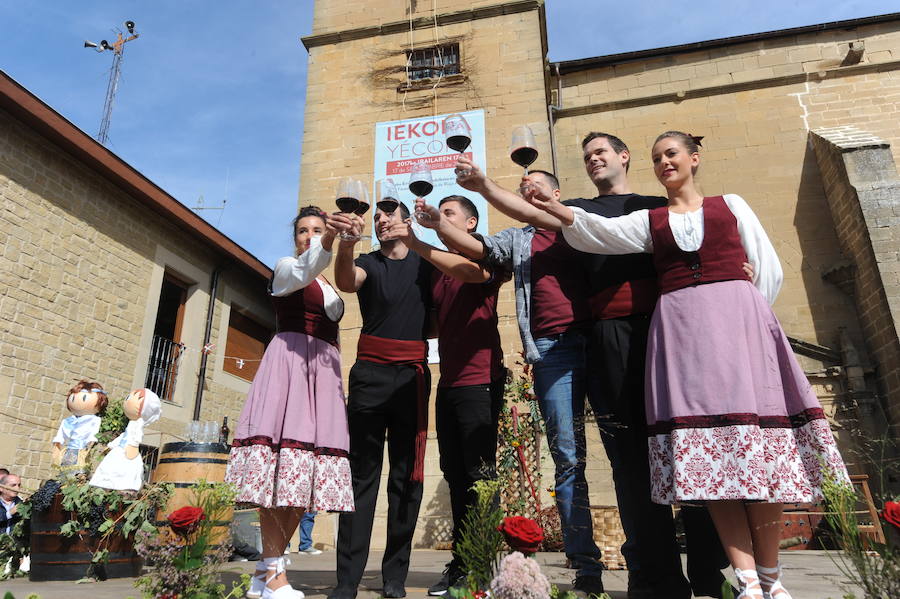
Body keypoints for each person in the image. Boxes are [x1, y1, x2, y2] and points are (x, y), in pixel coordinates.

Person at [532, 130, 850, 599]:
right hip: (678, 345)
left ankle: (763, 578)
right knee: (704, 458)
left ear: (693, 158)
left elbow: (767, 269)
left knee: (753, 454)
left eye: (671, 154)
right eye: (658, 156)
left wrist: (742, 324)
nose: (664, 162)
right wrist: (527, 198)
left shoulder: (732, 204)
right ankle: (737, 579)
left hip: (734, 343)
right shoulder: (652, 219)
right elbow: (596, 231)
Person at [454, 137, 733, 598]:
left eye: (601, 151)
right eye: (586, 156)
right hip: (609, 338)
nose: (593, 159)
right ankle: (654, 576)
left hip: (666, 331)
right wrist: (484, 184)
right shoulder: (577, 211)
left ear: (625, 156)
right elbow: (531, 217)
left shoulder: (653, 206)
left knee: (689, 446)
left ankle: (709, 570)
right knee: (629, 460)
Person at [416, 172, 604, 597]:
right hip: (546, 353)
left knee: (623, 448)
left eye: (536, 184)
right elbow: (477, 254)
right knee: (566, 458)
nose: (527, 190)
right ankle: (583, 565)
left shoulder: (583, 219)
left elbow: (474, 266)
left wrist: (423, 235)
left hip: (597, 341)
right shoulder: (516, 243)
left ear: (558, 193)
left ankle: (649, 558)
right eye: (522, 187)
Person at [225, 206, 356, 599]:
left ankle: (265, 575)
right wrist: (328, 240)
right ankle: (275, 574)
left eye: (317, 229)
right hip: (290, 367)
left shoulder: (331, 286)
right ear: (295, 237)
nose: (310, 235)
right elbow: (304, 270)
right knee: (278, 473)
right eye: (304, 230)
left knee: (302, 480)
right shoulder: (286, 268)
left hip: (323, 374)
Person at [383, 195, 505, 596]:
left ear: (470, 224)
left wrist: (421, 239)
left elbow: (471, 275)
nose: (443, 217)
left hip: (480, 379)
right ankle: (464, 561)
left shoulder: (485, 255)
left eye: (450, 214)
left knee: (480, 476)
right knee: (455, 476)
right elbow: (433, 323)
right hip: (449, 380)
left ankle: (485, 564)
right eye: (441, 213)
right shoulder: (435, 270)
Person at [329, 201, 435, 599]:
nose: (382, 219)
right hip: (370, 375)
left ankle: (395, 577)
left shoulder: (427, 264)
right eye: (378, 216)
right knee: (362, 478)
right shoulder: (369, 262)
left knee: (406, 478)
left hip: (412, 378)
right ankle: (347, 581)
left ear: (407, 222)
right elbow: (346, 281)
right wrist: (344, 246)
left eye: (390, 214)